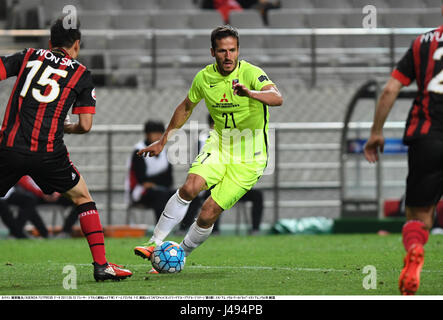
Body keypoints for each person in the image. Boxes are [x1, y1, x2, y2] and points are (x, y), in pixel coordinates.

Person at [133, 25, 282, 265]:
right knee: (190, 187)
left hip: (250, 158)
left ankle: (179, 255)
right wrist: (163, 140)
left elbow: (277, 98)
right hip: (220, 146)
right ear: (213, 52)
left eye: (232, 50)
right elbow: (186, 107)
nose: (228, 56)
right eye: (222, 51)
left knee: (208, 213)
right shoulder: (204, 78)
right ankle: (154, 243)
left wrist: (251, 93)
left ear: (238, 50)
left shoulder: (252, 73)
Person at [0, 17, 132, 281]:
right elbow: (85, 125)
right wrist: (65, 127)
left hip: (10, 148)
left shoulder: (27, 56)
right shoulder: (82, 74)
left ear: (50, 43)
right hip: (49, 155)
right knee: (83, 198)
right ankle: (102, 266)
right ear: (77, 45)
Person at [363, 22, 443, 294]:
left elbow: (389, 89)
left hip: (427, 134)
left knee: (419, 216)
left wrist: (376, 132)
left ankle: (416, 249)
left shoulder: (423, 42)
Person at [127, 120, 175, 222]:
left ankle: (183, 228)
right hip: (140, 192)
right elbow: (141, 179)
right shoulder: (139, 150)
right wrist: (160, 178)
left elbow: (169, 179)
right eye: (155, 133)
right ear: (147, 134)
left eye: (160, 133)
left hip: (162, 189)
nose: (158, 136)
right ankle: (160, 229)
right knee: (160, 195)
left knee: (182, 194)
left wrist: (152, 182)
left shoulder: (165, 152)